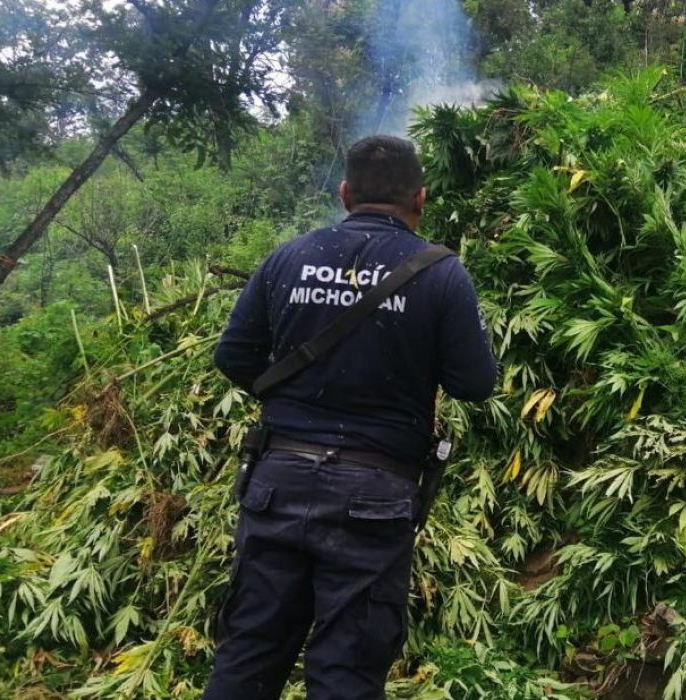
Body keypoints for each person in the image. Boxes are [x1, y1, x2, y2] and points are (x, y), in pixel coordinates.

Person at [204, 135, 497, 700]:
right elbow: (475, 383)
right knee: (348, 672)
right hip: (374, 493)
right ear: (421, 198)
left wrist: (290, 400)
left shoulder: (288, 258)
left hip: (277, 481)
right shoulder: (441, 275)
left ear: (344, 194)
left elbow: (233, 357)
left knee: (249, 655)